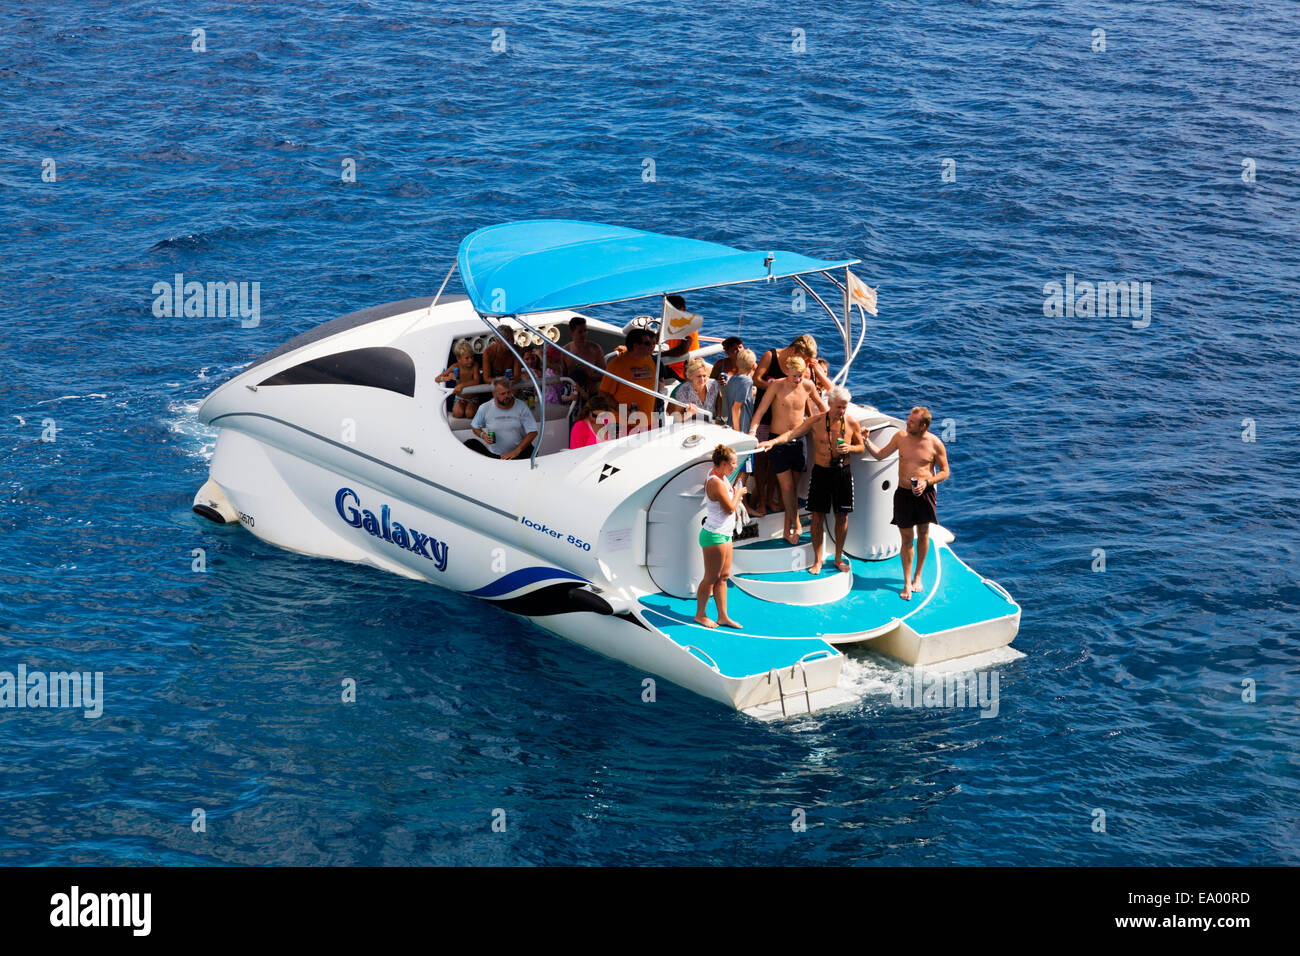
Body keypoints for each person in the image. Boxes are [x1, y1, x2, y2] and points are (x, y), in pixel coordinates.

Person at [760, 385, 864, 573]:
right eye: (839, 406)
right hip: (821, 473)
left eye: (844, 407)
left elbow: (861, 447)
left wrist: (851, 448)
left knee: (842, 516)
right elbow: (792, 434)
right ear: (830, 403)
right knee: (817, 516)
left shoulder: (851, 423)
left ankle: (838, 558)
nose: (841, 411)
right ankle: (817, 560)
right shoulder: (816, 421)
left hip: (842, 473)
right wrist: (773, 442)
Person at [863, 406, 950, 600]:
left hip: (924, 493)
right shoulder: (900, 437)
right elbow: (880, 455)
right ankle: (906, 582)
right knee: (906, 538)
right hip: (903, 493)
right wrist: (866, 440)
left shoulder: (935, 443)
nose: (907, 422)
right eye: (908, 419)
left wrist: (927, 482)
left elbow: (945, 471)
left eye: (911, 421)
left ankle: (918, 576)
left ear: (923, 426)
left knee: (924, 533)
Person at [749, 355, 827, 544]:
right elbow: (760, 411)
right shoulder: (776, 385)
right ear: (787, 372)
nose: (797, 380)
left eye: (800, 376)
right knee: (787, 487)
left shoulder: (807, 386)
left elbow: (824, 409)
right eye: (794, 376)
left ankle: (787, 531)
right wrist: (752, 431)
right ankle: (797, 523)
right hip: (778, 441)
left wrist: (817, 423)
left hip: (799, 440)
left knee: (792, 488)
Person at [696, 444, 746, 629]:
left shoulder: (721, 476)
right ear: (723, 463)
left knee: (723, 576)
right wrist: (739, 493)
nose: (735, 466)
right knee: (711, 577)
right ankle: (700, 615)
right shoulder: (716, 481)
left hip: (725, 534)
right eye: (733, 463)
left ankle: (723, 616)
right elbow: (730, 508)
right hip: (714, 536)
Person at [599, 329, 659, 432]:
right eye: (648, 343)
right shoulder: (616, 365)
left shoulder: (650, 360)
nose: (652, 346)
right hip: (623, 424)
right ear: (635, 346)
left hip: (649, 421)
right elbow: (603, 394)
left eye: (654, 343)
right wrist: (620, 409)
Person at [466, 377, 539, 460]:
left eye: (509, 392)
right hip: (496, 456)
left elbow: (533, 432)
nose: (507, 396)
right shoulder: (485, 407)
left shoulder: (522, 406)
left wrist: (516, 451)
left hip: (520, 454)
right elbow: (475, 426)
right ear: (494, 394)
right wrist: (483, 435)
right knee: (469, 443)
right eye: (503, 393)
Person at [435, 340, 483, 419]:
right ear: (458, 359)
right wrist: (448, 378)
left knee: (469, 414)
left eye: (472, 357)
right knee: (458, 414)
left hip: (473, 398)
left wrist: (462, 385)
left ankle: (474, 406)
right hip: (460, 398)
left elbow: (476, 381)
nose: (470, 360)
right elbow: (437, 379)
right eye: (467, 358)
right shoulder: (455, 367)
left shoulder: (475, 365)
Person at [564, 316, 607, 396]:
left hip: (591, 394)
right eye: (580, 332)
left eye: (585, 331)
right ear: (571, 332)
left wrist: (590, 375)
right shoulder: (565, 351)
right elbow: (563, 377)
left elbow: (605, 376)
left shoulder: (595, 349)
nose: (584, 334)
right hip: (572, 395)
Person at [670, 357, 722, 422]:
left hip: (711, 424)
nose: (702, 380)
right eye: (699, 376)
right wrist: (689, 414)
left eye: (704, 376)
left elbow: (719, 401)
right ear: (690, 376)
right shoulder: (682, 391)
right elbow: (677, 418)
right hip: (691, 427)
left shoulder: (713, 384)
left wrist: (718, 417)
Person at [661, 294, 699, 380]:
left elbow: (683, 349)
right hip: (673, 365)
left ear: (684, 310)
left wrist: (660, 355)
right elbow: (656, 338)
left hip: (684, 371)